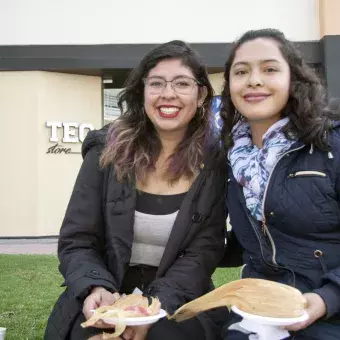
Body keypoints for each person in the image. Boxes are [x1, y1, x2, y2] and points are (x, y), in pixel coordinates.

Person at [44, 40, 228, 340]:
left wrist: (152, 305)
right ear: (142, 91)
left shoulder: (215, 164)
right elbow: (78, 240)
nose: (168, 94)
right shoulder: (105, 152)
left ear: (201, 93)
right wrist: (96, 288)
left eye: (182, 83)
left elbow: (204, 251)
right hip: (106, 288)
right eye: (156, 83)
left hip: (179, 293)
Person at [219, 28, 340, 340]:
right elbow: (251, 238)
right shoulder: (232, 159)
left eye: (270, 69)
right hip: (260, 311)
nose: (254, 80)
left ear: (293, 79)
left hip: (330, 314)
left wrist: (327, 299)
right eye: (241, 71)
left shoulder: (331, 145)